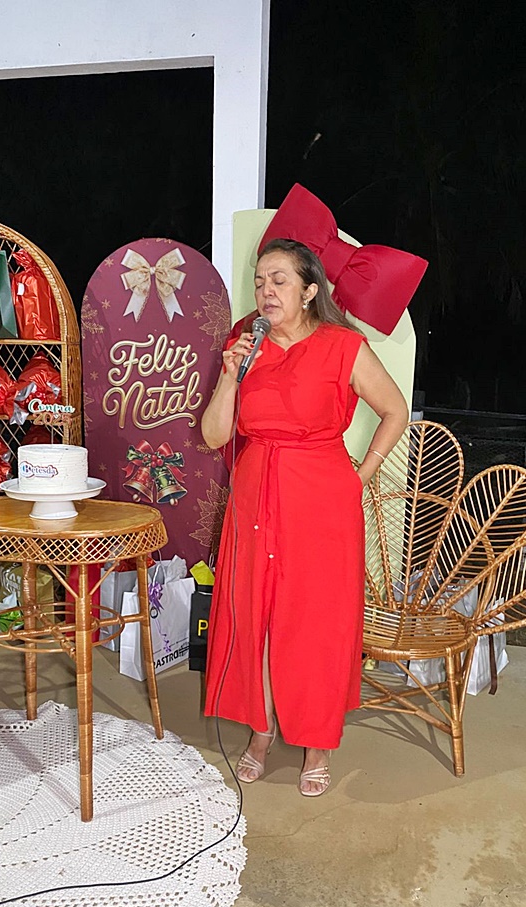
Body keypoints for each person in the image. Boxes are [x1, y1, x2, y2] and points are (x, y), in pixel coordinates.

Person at [201, 238, 408, 796]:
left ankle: (317, 744)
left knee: (315, 624)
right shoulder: (245, 348)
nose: (266, 291)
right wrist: (229, 375)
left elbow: (394, 410)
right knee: (258, 617)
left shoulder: (343, 346)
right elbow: (214, 435)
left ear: (310, 290)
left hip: (321, 500)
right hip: (255, 496)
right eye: (260, 282)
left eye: (279, 281)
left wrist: (361, 475)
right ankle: (261, 733)